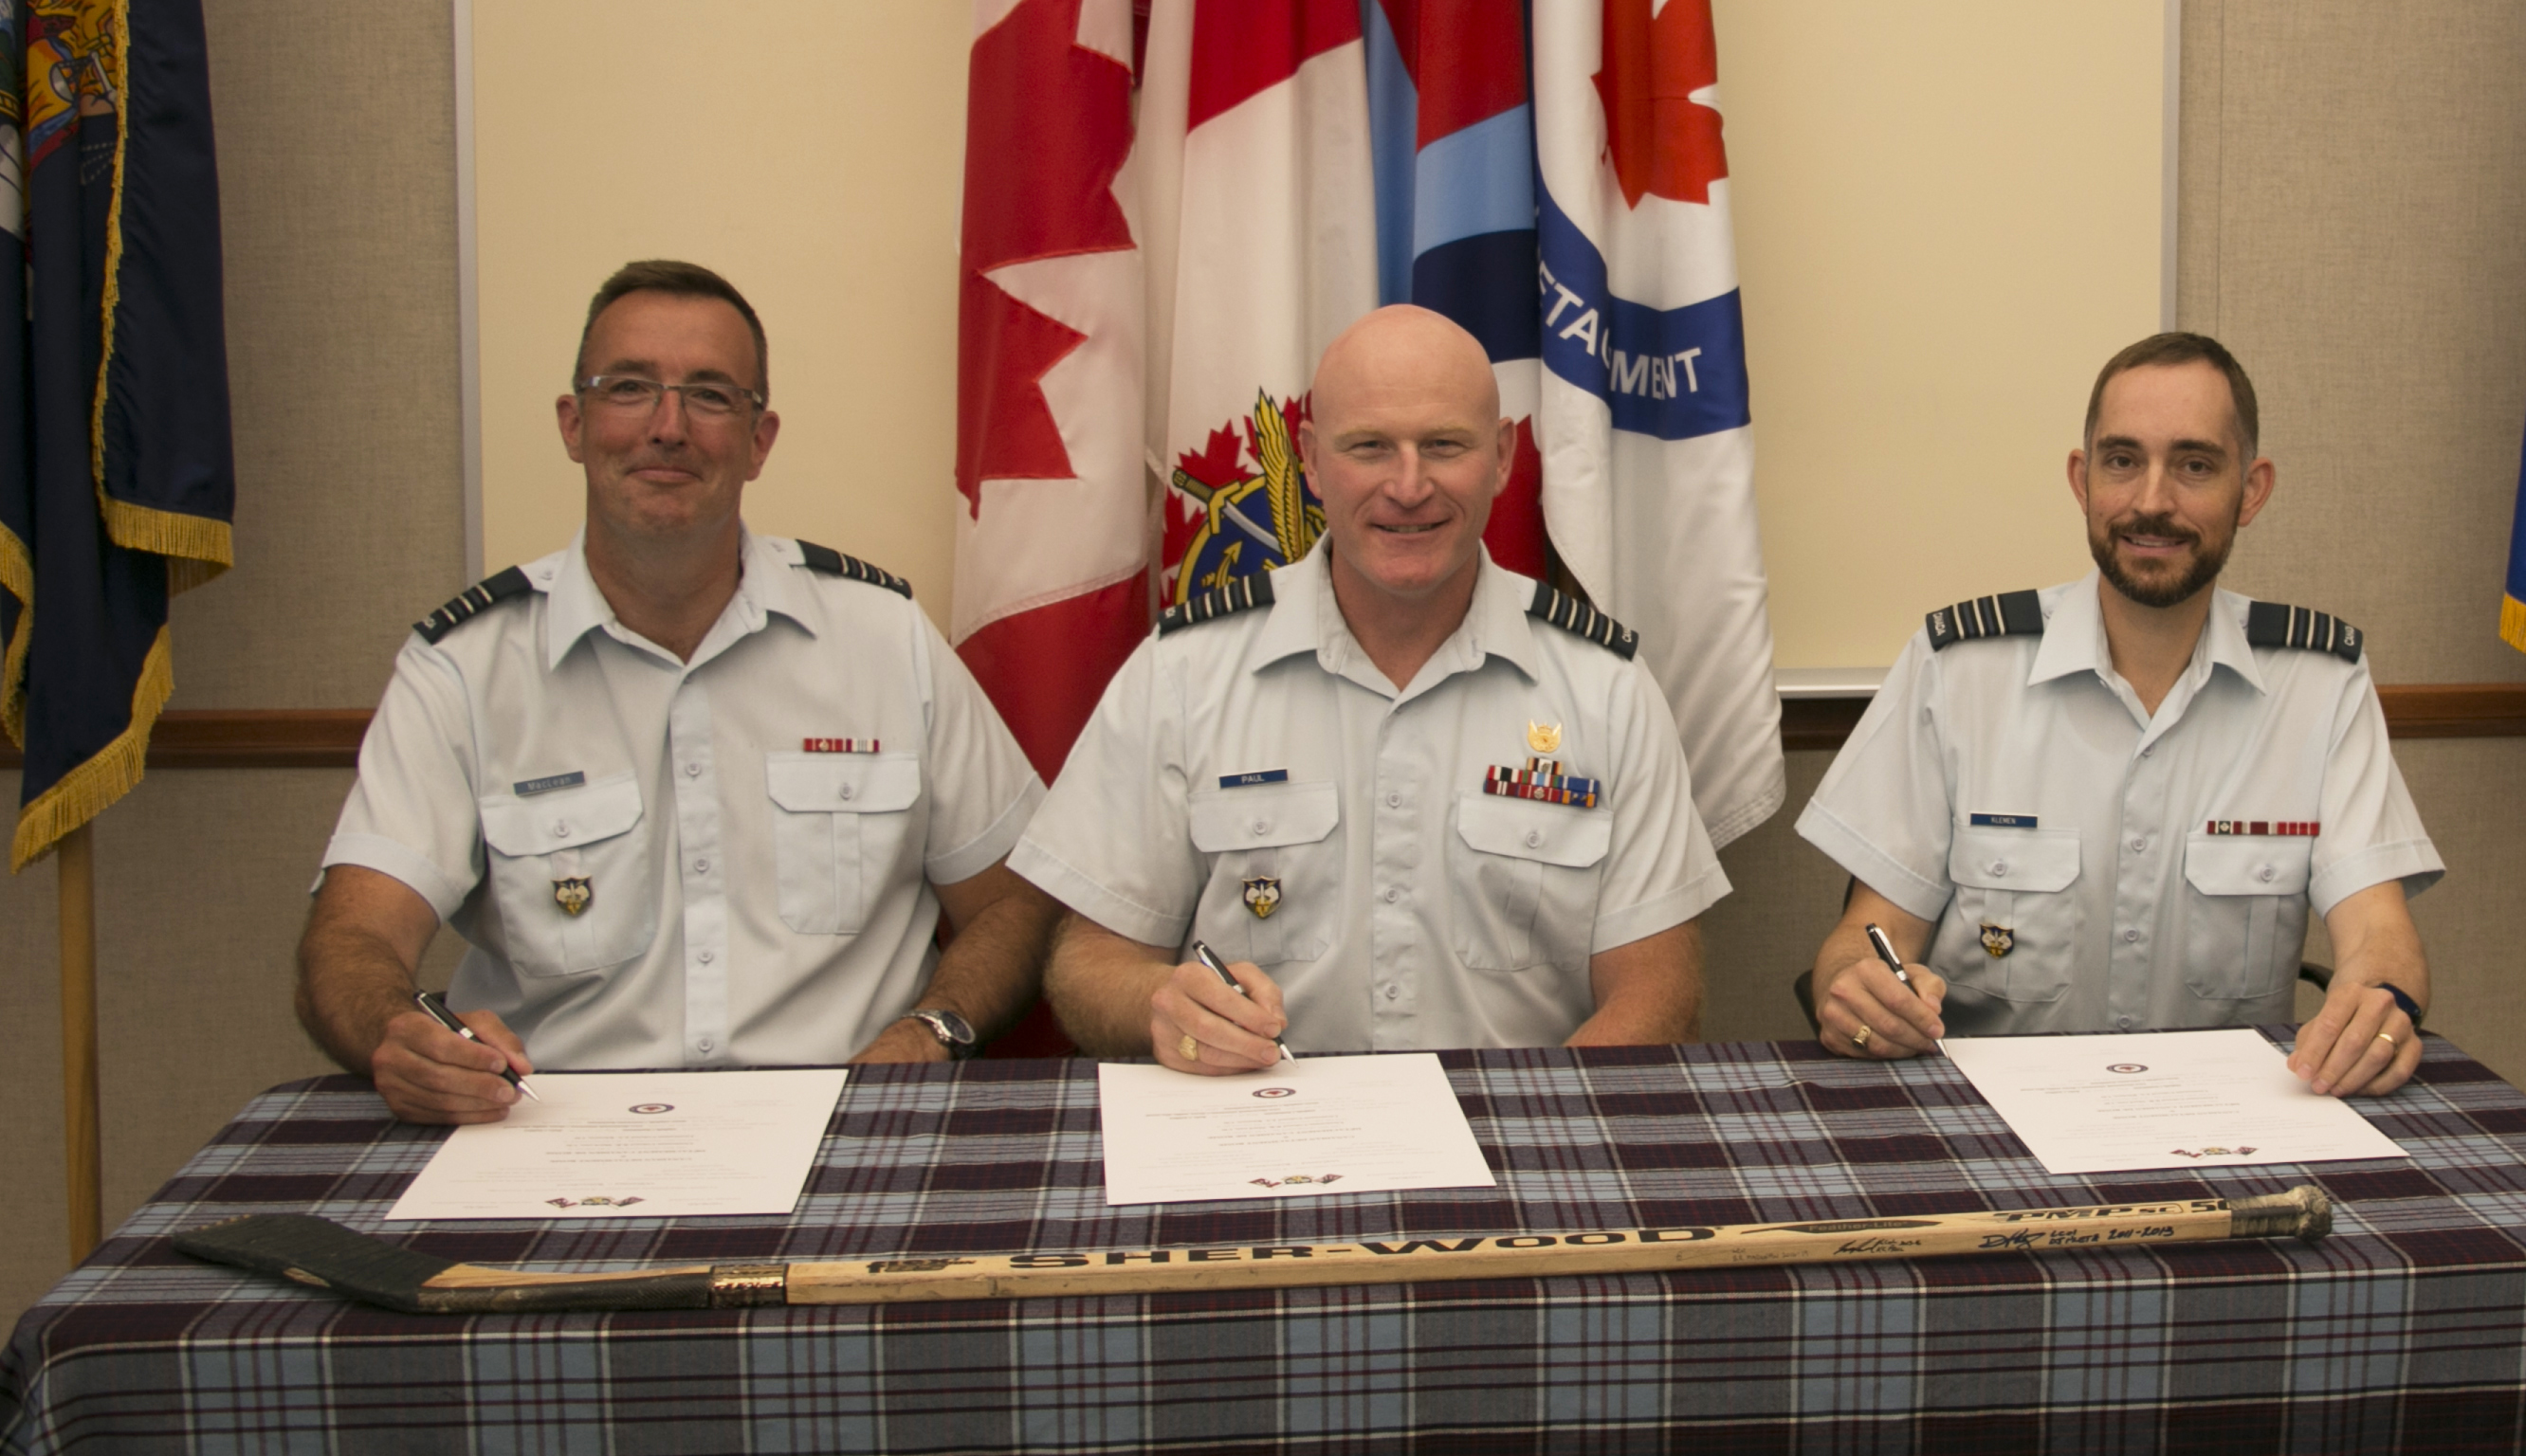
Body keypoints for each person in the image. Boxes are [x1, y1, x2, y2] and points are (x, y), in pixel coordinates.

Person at [297, 260, 1056, 1123]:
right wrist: (400, 1033)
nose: (668, 428)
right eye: (628, 389)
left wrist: (931, 1030)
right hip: (552, 1131)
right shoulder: (466, 668)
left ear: (760, 440)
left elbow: (1016, 901)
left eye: (710, 396)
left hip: (842, 1120)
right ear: (574, 424)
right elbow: (353, 935)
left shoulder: (882, 640)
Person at [1013, 305, 1729, 1074]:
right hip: (1254, 1125)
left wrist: (1537, 1119)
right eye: (1370, 447)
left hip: (1516, 1126)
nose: (1409, 486)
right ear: (1311, 462)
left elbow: (1658, 990)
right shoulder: (1184, 673)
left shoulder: (1604, 687)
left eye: (1444, 445)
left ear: (1501, 457)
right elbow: (1089, 964)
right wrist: (1162, 1003)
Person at [1796, 332, 2442, 1097]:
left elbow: (2379, 935)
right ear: (2083, 479)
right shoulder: (1961, 670)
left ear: (2251, 490)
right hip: (1987, 1116)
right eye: (2123, 460)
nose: (2152, 502)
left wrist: (2379, 1004)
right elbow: (1869, 936)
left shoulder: (2319, 685)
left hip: (2229, 1120)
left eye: (2195, 465)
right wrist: (1857, 986)